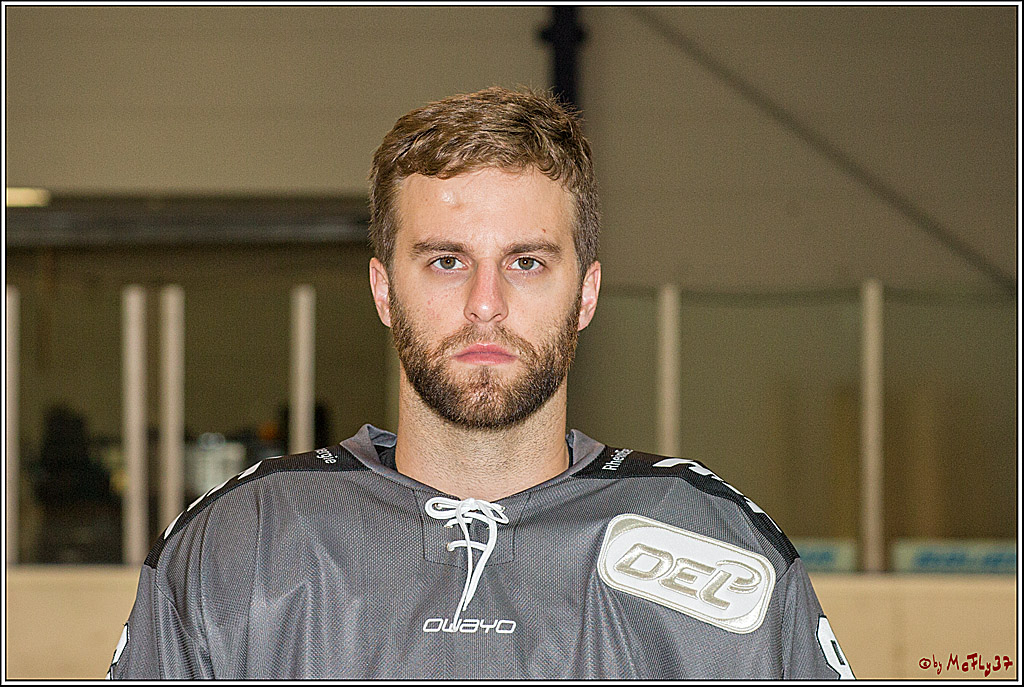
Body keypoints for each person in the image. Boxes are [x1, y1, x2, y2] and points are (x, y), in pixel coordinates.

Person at [107, 86, 854, 680]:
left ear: (586, 294)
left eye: (526, 262)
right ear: (383, 290)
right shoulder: (243, 545)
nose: (485, 303)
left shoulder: (717, 550)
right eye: (446, 261)